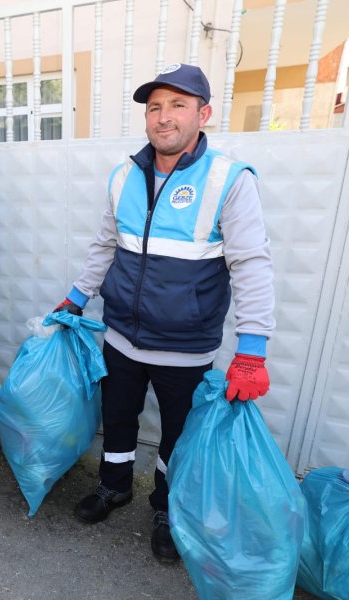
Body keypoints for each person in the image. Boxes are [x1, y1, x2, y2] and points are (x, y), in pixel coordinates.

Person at [55, 63, 275, 562]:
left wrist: (253, 349)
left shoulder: (229, 180)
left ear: (204, 114)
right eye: (155, 107)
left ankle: (167, 508)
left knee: (178, 435)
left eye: (178, 105)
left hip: (185, 347)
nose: (163, 116)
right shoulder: (123, 175)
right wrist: (75, 296)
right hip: (121, 338)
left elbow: (252, 265)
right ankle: (114, 486)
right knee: (118, 419)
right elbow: (105, 246)